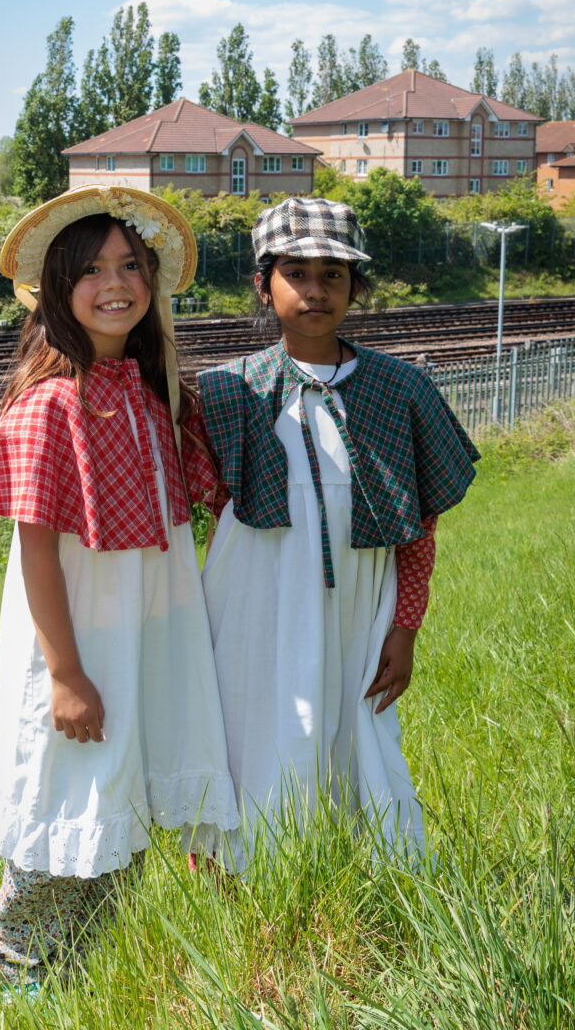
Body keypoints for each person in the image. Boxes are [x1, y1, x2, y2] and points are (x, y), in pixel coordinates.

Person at [0, 186, 238, 996]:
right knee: (64, 811)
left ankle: (80, 981)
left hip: (138, 650)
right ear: (56, 289)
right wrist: (67, 674)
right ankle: (14, 981)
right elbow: (38, 552)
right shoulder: (51, 405)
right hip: (76, 650)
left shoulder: (153, 399)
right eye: (90, 270)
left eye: (129, 265)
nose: (114, 283)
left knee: (115, 825)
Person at [197, 197, 479, 871]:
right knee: (249, 731)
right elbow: (203, 514)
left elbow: (419, 528)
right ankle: (235, 878)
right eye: (297, 273)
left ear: (357, 286)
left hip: (360, 605)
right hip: (253, 606)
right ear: (264, 284)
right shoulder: (227, 391)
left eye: (335, 275)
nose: (316, 290)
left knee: (358, 735)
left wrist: (406, 625)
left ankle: (363, 876)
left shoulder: (400, 390)